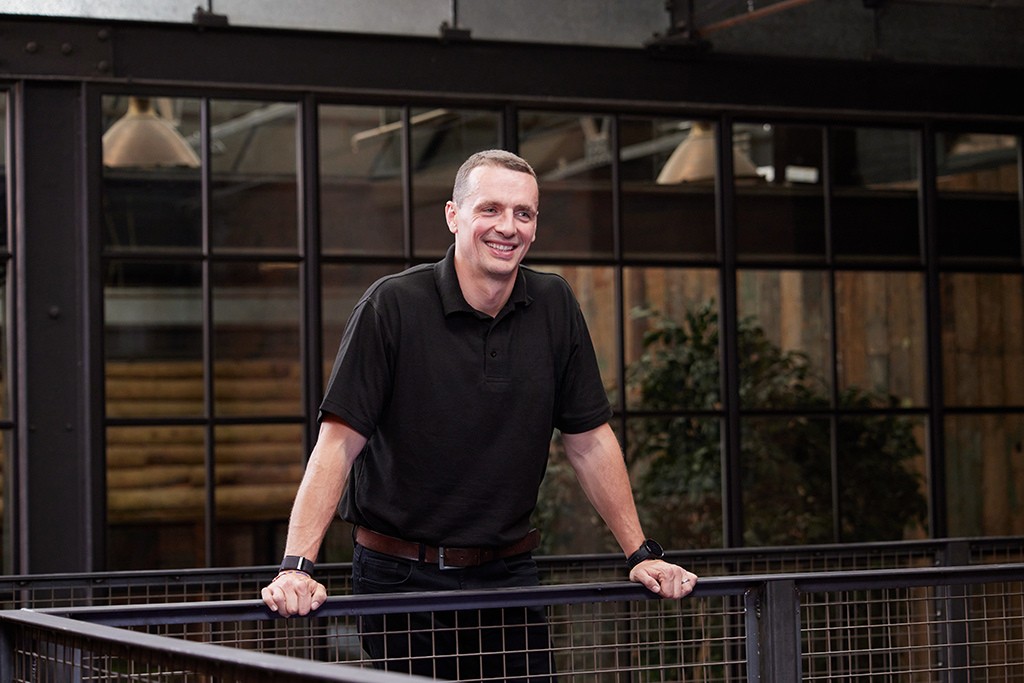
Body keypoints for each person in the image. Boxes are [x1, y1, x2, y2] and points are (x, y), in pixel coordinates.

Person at [261, 149, 698, 680]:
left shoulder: (555, 304)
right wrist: (296, 567)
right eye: (490, 209)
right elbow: (338, 444)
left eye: (523, 213)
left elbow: (590, 440)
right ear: (453, 215)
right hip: (400, 577)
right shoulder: (391, 307)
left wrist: (641, 553)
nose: (507, 227)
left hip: (508, 575)